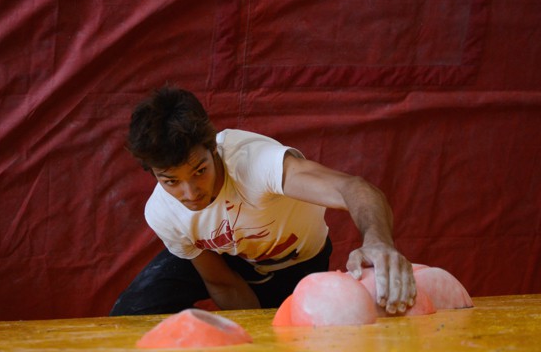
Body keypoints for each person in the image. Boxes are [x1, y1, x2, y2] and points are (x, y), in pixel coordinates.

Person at [110, 86, 416, 316]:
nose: (190, 194)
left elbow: (353, 187)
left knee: (296, 339)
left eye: (200, 171)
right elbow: (221, 282)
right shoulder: (162, 212)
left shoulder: (255, 164)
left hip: (296, 263)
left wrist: (378, 241)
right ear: (153, 173)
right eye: (171, 181)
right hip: (231, 258)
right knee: (131, 312)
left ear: (213, 149)